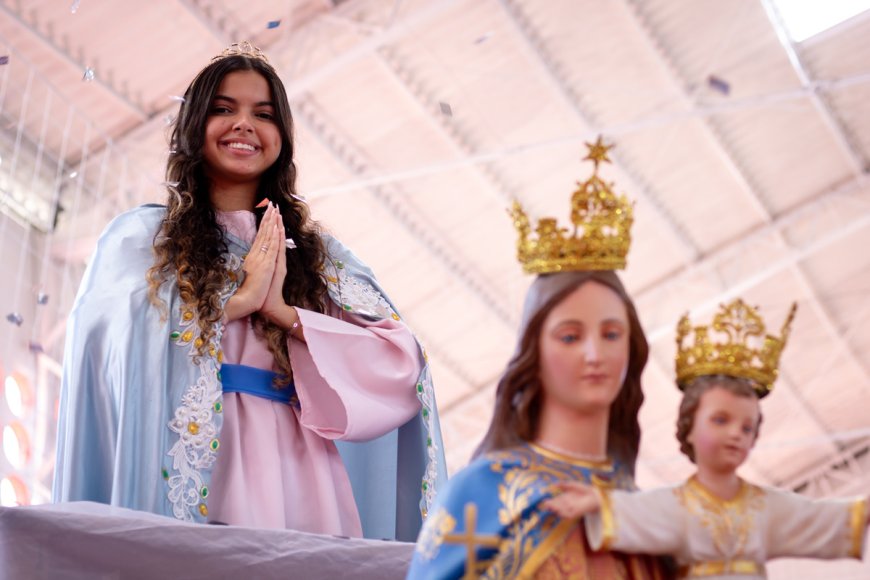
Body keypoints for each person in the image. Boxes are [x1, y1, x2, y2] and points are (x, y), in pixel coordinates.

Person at [53, 41, 446, 541]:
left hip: (300, 467)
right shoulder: (144, 237)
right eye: (223, 109)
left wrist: (283, 311)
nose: (243, 124)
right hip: (207, 456)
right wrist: (237, 302)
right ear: (195, 126)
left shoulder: (317, 254)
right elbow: (110, 340)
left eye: (263, 114)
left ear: (281, 136)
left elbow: (401, 363)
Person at [407, 139, 668, 578]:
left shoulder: (642, 516)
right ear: (535, 351)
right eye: (570, 336)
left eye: (611, 334)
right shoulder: (484, 491)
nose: (594, 353)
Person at [542, 300, 869, 578]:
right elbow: (638, 512)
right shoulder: (678, 505)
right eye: (720, 420)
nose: (735, 435)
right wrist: (599, 503)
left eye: (747, 428)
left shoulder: (767, 507)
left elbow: (820, 519)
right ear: (689, 428)